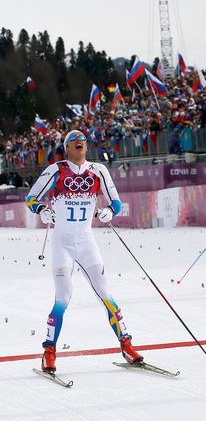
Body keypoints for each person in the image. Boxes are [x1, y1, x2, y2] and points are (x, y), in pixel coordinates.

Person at [24, 130, 143, 373]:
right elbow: (31, 197)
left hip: (86, 240)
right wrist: (41, 210)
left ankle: (126, 344)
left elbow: (116, 202)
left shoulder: (98, 170)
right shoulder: (56, 169)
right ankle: (49, 351)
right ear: (66, 148)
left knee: (105, 293)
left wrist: (110, 212)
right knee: (63, 297)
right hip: (62, 242)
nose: (80, 142)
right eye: (74, 141)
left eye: (83, 140)